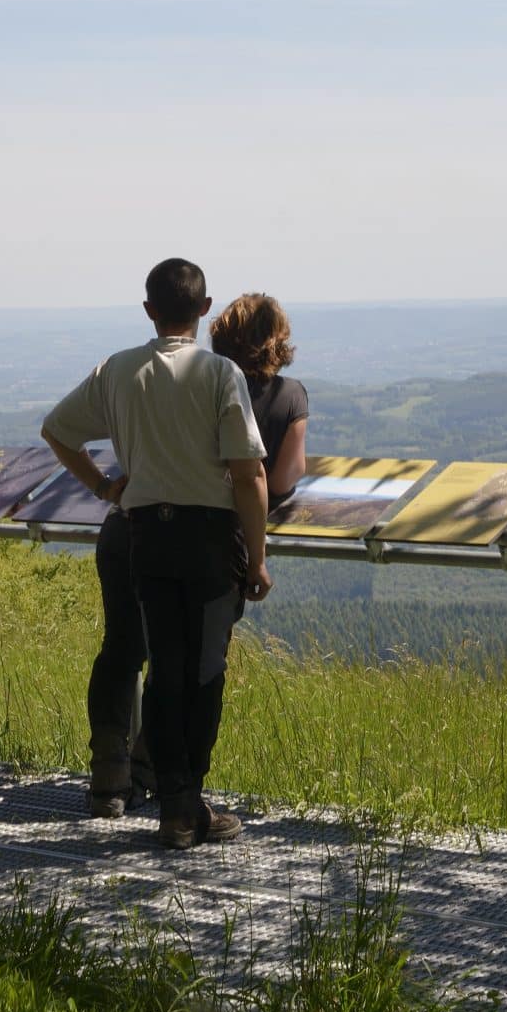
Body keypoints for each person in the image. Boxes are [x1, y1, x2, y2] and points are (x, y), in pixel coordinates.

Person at [42, 258, 272, 848]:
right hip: (209, 538)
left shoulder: (117, 370)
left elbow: (57, 430)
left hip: (144, 533)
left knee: (166, 667)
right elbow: (248, 476)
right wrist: (260, 558)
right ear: (203, 308)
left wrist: (103, 487)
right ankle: (186, 800)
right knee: (205, 672)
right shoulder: (221, 374)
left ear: (149, 311)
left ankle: (176, 804)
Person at [209, 293, 309, 508]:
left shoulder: (207, 389)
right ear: (276, 342)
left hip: (207, 514)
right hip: (259, 518)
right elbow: (281, 483)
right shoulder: (291, 395)